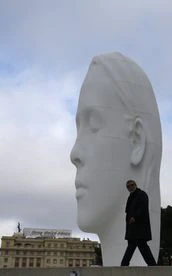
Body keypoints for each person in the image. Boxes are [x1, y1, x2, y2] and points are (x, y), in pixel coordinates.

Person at [70, 52, 162, 266]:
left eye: (93, 126)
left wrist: (132, 217)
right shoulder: (136, 196)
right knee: (136, 249)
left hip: (135, 230)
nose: (74, 154)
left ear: (137, 141)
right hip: (135, 232)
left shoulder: (139, 197)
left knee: (135, 249)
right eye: (78, 129)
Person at [121, 179, 157, 266]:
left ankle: (124, 265)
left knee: (137, 246)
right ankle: (153, 265)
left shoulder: (142, 194)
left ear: (135, 185)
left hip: (139, 226)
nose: (130, 187)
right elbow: (128, 211)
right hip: (133, 227)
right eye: (128, 186)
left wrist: (135, 217)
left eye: (132, 185)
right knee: (140, 246)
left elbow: (143, 208)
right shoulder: (131, 197)